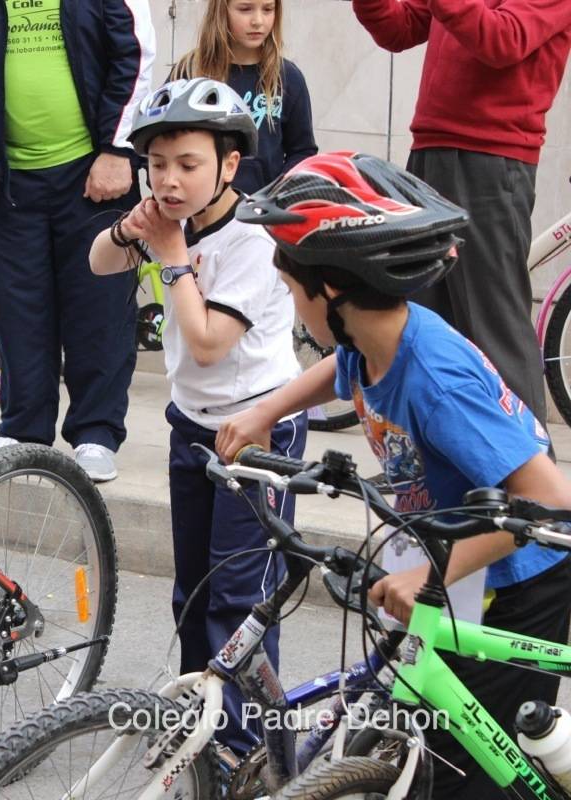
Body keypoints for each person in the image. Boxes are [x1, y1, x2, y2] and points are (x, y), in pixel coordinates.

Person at [217, 152, 571, 796]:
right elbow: (337, 369)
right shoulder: (372, 340)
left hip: (523, 579)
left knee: (467, 773)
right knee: (419, 734)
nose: (294, 309)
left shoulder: (435, 375)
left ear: (333, 290)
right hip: (455, 565)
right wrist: (266, 410)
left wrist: (428, 573)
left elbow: (548, 499)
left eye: (295, 293)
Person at [90, 78, 303, 752]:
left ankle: (240, 745)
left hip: (258, 430)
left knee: (238, 600)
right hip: (193, 426)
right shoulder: (165, 218)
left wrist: (174, 257)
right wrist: (132, 229)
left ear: (229, 164)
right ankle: (202, 722)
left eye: (188, 164)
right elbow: (99, 261)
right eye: (157, 165)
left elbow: (209, 343)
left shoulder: (253, 236)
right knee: (194, 591)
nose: (170, 181)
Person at [0, 0, 155, 481]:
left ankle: (96, 434)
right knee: (21, 309)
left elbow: (135, 52)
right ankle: (24, 430)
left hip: (94, 174)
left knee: (100, 311)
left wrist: (117, 148)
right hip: (7, 179)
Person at [352, 0, 571, 428]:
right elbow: (399, 29)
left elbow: (502, 40)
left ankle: (527, 484)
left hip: (493, 159)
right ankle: (431, 472)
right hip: (431, 151)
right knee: (422, 323)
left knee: (493, 328)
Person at [171, 0, 316, 194]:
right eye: (245, 9)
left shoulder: (288, 77)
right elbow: (161, 143)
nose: (258, 21)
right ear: (221, 10)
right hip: (197, 211)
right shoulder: (190, 71)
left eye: (268, 9)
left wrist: (278, 196)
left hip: (263, 214)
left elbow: (302, 151)